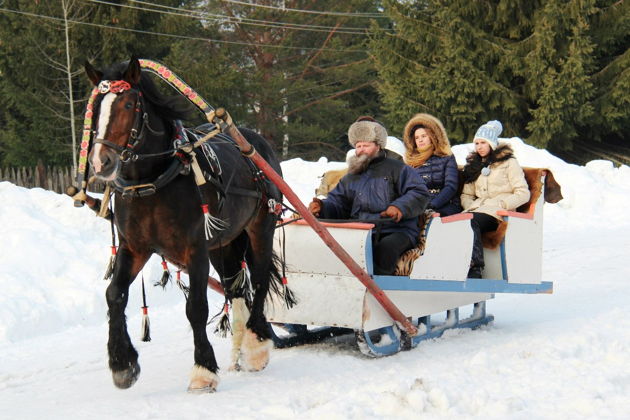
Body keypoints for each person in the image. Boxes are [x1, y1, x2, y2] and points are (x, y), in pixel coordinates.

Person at [308, 118, 430, 275]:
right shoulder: (350, 176)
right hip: (361, 231)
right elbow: (338, 202)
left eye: (366, 145)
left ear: (378, 145)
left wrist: (399, 207)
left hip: (396, 229)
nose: (361, 149)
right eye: (358, 146)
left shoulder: (398, 169)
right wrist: (323, 207)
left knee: (385, 248)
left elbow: (419, 192)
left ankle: (382, 291)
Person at [461, 120, 530, 278]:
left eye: (483, 142)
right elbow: (466, 194)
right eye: (477, 143)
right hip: (477, 209)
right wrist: (471, 206)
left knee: (470, 222)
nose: (479, 146)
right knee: (456, 223)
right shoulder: (475, 165)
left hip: (496, 212)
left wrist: (503, 204)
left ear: (491, 143)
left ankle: (475, 267)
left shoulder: (509, 163)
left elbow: (523, 192)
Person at [403, 113, 462, 216]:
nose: (420, 140)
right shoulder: (411, 161)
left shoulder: (447, 157)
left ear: (433, 137)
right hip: (418, 204)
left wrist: (431, 205)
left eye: (424, 136)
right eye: (417, 138)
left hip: (445, 204)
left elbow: (451, 187)